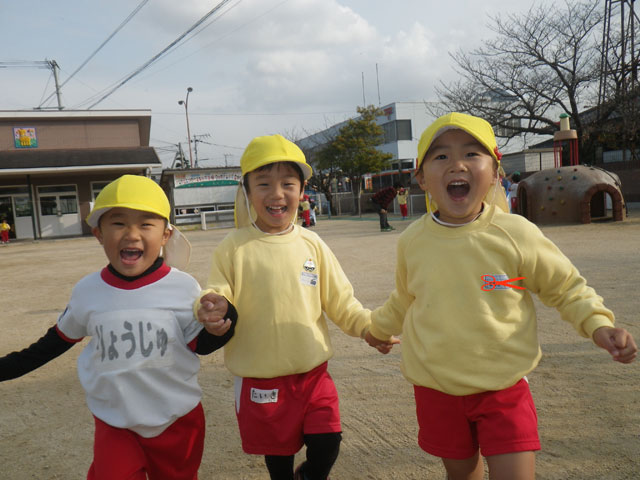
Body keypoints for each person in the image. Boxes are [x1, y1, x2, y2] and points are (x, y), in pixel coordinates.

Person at [365, 112, 637, 480]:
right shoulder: (413, 240)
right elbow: (404, 299)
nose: (457, 164)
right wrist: (377, 329)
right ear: (421, 179)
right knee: (462, 474)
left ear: (495, 172)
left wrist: (598, 324)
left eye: (471, 154)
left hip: (504, 386)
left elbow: (565, 286)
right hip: (436, 387)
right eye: (441, 156)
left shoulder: (515, 233)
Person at [0, 174, 237, 480]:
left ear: (166, 235)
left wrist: (222, 325)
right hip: (115, 423)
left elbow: (200, 345)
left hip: (177, 419)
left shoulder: (183, 287)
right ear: (98, 234)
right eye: (119, 223)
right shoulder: (88, 291)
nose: (132, 234)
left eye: (146, 224)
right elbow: (53, 343)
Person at [197, 134, 377, 480]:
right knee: (278, 457)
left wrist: (368, 327)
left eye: (287, 184)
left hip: (313, 373)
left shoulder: (312, 243)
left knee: (328, 442)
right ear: (247, 191)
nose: (276, 194)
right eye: (263, 184)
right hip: (261, 377)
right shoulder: (234, 247)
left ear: (302, 190)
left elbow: (341, 300)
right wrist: (211, 306)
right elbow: (218, 291)